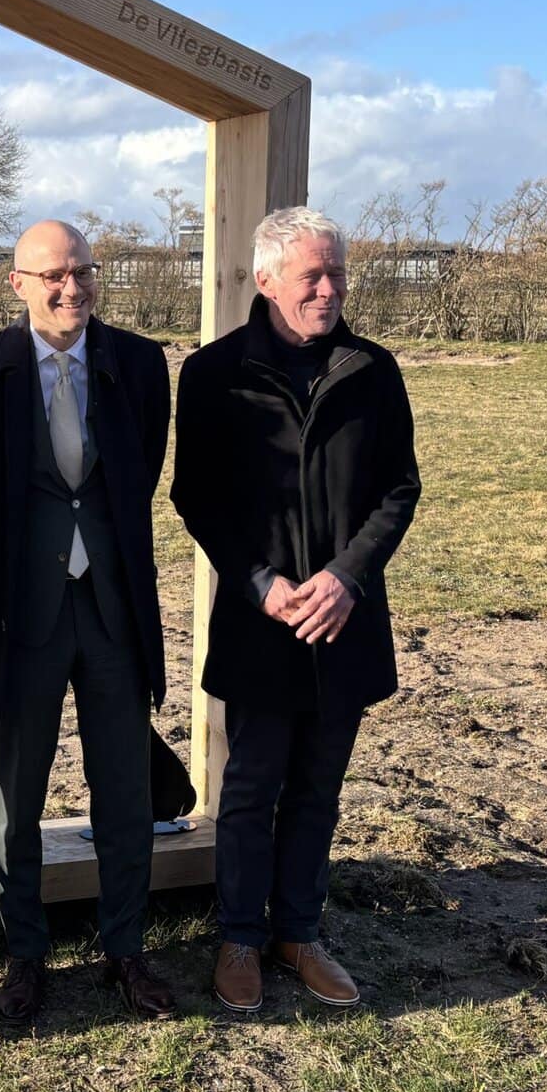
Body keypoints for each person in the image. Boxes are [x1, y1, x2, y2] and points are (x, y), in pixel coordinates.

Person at [171, 207, 421, 1015]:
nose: (329, 289)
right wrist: (260, 583)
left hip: (343, 621)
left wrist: (348, 577)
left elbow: (399, 487)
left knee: (319, 788)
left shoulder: (372, 371)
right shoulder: (214, 374)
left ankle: (299, 933)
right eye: (313, 274)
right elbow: (195, 496)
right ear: (267, 278)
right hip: (262, 621)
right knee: (250, 787)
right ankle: (241, 937)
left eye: (338, 273)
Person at [0, 220, 177, 1023]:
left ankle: (126, 949)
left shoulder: (139, 363)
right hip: (17, 618)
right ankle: (25, 954)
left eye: (81, 271)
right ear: (16, 283)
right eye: (50, 276)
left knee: (125, 791)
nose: (68, 288)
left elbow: (135, 477)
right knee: (17, 797)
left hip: (112, 609)